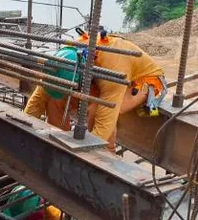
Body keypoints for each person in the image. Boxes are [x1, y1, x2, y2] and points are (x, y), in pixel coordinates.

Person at [24, 29, 165, 152]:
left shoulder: (113, 67)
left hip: (145, 82)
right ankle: (58, 143)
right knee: (54, 99)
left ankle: (108, 155)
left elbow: (106, 120)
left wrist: (86, 155)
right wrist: (23, 125)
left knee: (96, 108)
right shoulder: (66, 56)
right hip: (99, 77)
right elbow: (39, 97)